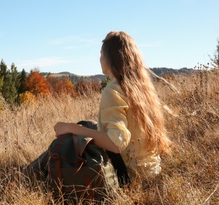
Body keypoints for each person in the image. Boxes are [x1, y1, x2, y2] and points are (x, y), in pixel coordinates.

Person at [53, 31, 172, 178]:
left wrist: (71, 128)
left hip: (128, 175)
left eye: (102, 54)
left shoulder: (113, 90)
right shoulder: (141, 88)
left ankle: (28, 172)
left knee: (70, 138)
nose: (100, 59)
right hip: (151, 171)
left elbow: (116, 142)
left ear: (111, 58)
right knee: (89, 124)